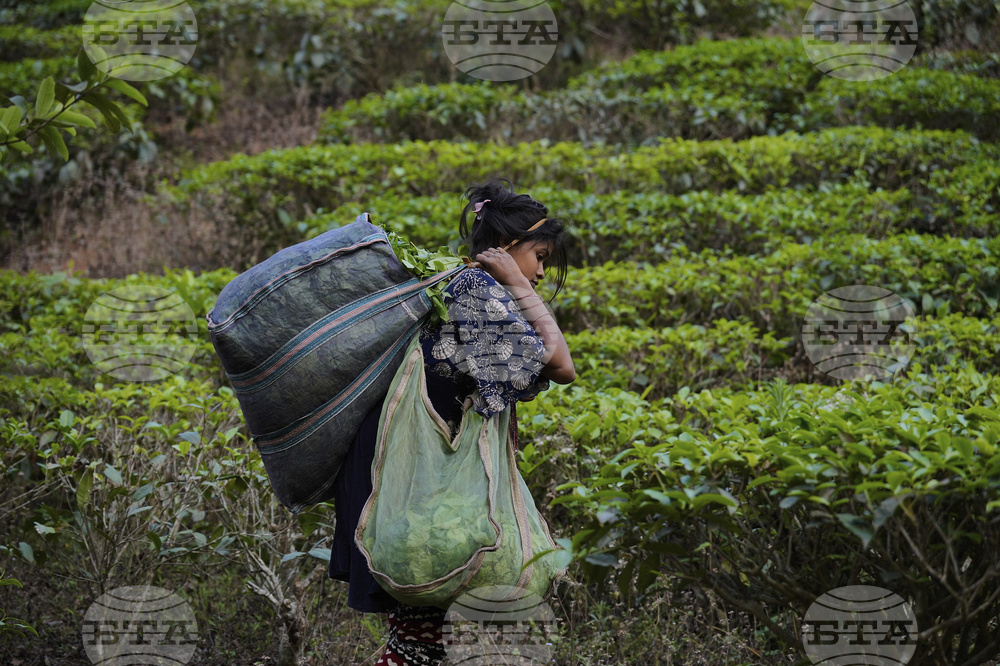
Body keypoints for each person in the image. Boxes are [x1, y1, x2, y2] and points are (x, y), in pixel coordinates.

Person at [328, 176, 576, 665]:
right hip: (420, 483)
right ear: (508, 247)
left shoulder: (464, 286)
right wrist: (519, 283)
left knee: (427, 636)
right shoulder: (476, 289)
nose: (542, 273)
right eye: (540, 258)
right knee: (423, 638)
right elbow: (561, 364)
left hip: (414, 477)